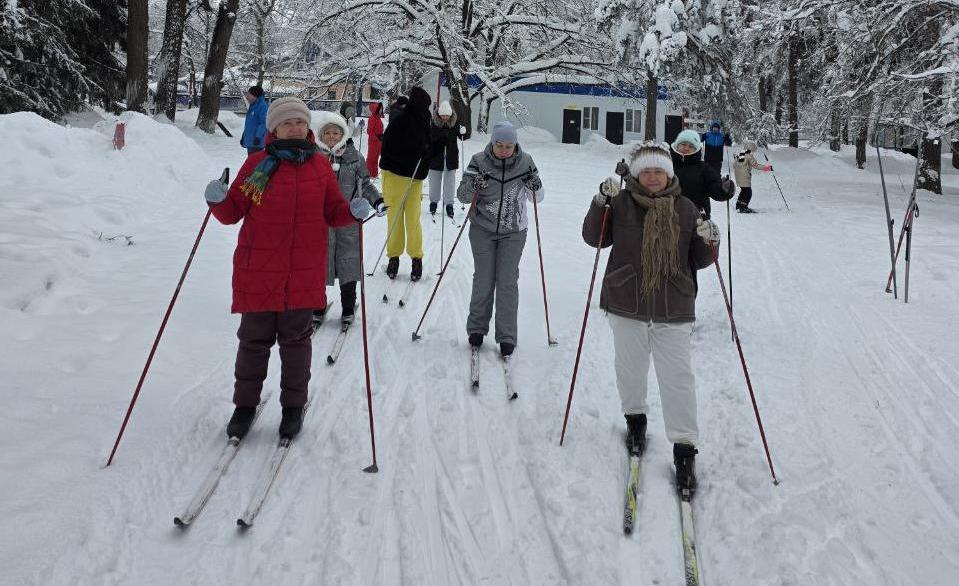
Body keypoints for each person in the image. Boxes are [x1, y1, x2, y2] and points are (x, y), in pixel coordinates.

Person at [204, 97, 376, 441]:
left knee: (296, 344)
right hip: (259, 271)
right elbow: (232, 212)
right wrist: (218, 200)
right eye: (287, 123)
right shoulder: (257, 165)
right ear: (274, 128)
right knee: (253, 343)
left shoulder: (319, 168)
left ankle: (293, 407)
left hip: (303, 272)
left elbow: (333, 212)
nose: (295, 128)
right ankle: (244, 406)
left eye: (300, 122)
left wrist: (352, 212)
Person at [582, 141, 719, 495]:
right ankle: (635, 420)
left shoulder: (686, 208)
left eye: (659, 171)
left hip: (673, 307)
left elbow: (700, 259)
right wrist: (600, 202)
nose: (653, 177)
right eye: (647, 171)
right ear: (637, 174)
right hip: (626, 301)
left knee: (678, 379)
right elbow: (594, 238)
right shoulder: (621, 203)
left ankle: (685, 447)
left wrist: (710, 240)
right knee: (629, 369)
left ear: (669, 174)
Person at [456, 121, 544, 357]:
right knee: (483, 279)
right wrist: (475, 185)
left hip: (514, 231)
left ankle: (507, 336)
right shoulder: (478, 161)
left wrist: (535, 186)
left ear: (515, 144)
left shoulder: (526, 162)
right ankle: (477, 328)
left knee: (507, 281)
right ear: (492, 143)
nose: (504, 150)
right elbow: (462, 196)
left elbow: (537, 198)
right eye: (499, 145)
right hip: (482, 229)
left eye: (509, 146)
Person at [311, 111, 386, 327]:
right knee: (319, 263)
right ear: (321, 135)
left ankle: (347, 307)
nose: (331, 137)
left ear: (343, 134)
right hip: (320, 221)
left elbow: (366, 184)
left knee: (348, 262)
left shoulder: (355, 158)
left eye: (336, 133)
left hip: (348, 220)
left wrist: (377, 201)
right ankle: (317, 305)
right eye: (327, 133)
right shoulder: (313, 157)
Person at [379, 86, 432, 281]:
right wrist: (415, 154)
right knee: (398, 219)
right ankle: (397, 258)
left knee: (409, 219)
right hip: (397, 177)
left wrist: (429, 150)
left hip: (411, 178)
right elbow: (388, 148)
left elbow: (427, 147)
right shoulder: (403, 120)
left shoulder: (422, 121)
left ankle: (413, 259)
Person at [670, 129, 734, 219]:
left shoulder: (704, 168)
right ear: (677, 145)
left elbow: (714, 188)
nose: (686, 148)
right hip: (671, 217)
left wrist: (724, 190)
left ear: (696, 149)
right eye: (683, 144)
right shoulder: (668, 165)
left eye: (691, 146)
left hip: (697, 217)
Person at [428, 101, 463, 219]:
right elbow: (430, 137)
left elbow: (462, 136)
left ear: (450, 114)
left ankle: (449, 204)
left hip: (451, 157)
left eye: (447, 115)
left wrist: (463, 132)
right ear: (439, 114)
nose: (445, 118)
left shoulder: (455, 123)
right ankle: (433, 202)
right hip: (435, 157)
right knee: (434, 182)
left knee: (450, 183)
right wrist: (440, 135)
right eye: (443, 115)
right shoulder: (433, 123)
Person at [733, 141, 774, 213]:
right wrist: (767, 168)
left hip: (738, 176)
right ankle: (743, 207)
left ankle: (739, 205)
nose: (753, 152)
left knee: (744, 191)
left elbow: (735, 165)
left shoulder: (741, 154)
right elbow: (756, 165)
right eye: (753, 150)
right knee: (748, 192)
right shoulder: (749, 156)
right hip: (744, 176)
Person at [240, 85, 268, 154]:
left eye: (249, 95)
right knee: (251, 159)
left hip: (257, 142)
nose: (247, 97)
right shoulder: (253, 106)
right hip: (251, 141)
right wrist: (244, 137)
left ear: (255, 95)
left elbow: (264, 123)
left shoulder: (262, 106)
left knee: (255, 160)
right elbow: (250, 124)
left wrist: (258, 137)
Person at [365, 102, 384, 178]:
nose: (381, 110)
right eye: (380, 109)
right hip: (373, 142)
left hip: (379, 142)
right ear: (376, 109)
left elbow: (380, 129)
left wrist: (381, 136)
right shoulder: (372, 118)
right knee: (371, 158)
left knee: (376, 158)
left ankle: (374, 174)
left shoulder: (378, 118)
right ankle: (369, 174)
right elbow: (370, 131)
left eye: (381, 109)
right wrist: (377, 137)